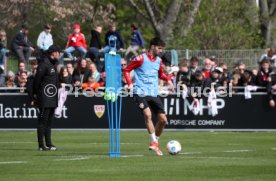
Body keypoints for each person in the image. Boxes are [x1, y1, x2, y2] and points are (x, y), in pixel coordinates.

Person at [123, 37, 174, 156]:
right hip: (140, 92)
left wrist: (168, 80)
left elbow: (160, 74)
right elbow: (126, 70)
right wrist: (130, 84)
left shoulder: (158, 61)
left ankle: (155, 142)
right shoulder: (140, 58)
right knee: (147, 114)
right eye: (159, 48)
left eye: (162, 48)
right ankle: (154, 142)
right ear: (152, 46)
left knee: (163, 120)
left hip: (153, 93)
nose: (161, 51)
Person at [33, 45, 61, 151]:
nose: (59, 54)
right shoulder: (44, 64)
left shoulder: (53, 64)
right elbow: (37, 81)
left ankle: (49, 143)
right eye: (58, 52)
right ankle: (41, 145)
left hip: (52, 97)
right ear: (53, 53)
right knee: (42, 121)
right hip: (44, 98)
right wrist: (36, 95)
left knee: (49, 122)